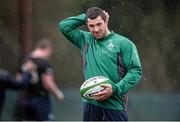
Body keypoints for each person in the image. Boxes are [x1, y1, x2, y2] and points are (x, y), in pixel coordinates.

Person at [59, 7, 142, 121]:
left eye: (99, 24)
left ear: (106, 21)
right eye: (91, 26)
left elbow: (135, 72)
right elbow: (64, 26)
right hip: (90, 105)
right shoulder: (85, 40)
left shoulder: (124, 43)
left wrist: (115, 88)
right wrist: (85, 17)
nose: (96, 29)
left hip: (114, 106)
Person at [15, 39, 64, 121]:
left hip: (24, 99)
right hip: (40, 99)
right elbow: (47, 83)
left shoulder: (24, 60)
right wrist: (58, 93)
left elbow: (18, 79)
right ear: (47, 49)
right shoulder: (44, 63)